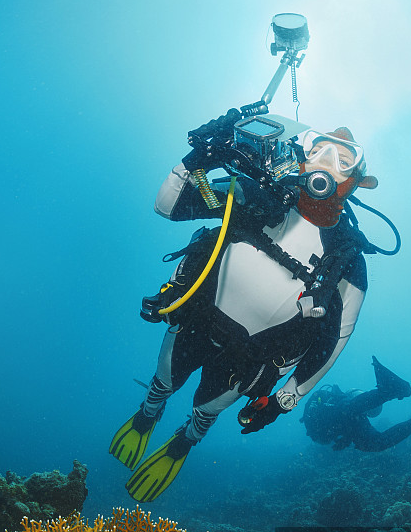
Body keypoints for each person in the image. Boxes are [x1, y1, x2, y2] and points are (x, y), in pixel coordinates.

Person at [110, 124, 379, 502]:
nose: (327, 166)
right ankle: (148, 413)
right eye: (318, 151)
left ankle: (185, 441)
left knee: (206, 409)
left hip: (250, 359)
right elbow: (168, 206)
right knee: (164, 381)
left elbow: (336, 338)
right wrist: (199, 158)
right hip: (198, 320)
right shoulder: (254, 195)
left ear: (358, 182)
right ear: (299, 157)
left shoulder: (348, 260)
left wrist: (287, 398)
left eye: (344, 160)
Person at [301, 355, 411, 451]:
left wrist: (344, 435)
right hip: (345, 418)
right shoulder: (336, 421)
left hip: (339, 411)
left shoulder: (317, 419)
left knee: (347, 410)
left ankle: (388, 391)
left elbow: (340, 413)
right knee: (375, 443)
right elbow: (345, 423)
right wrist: (346, 438)